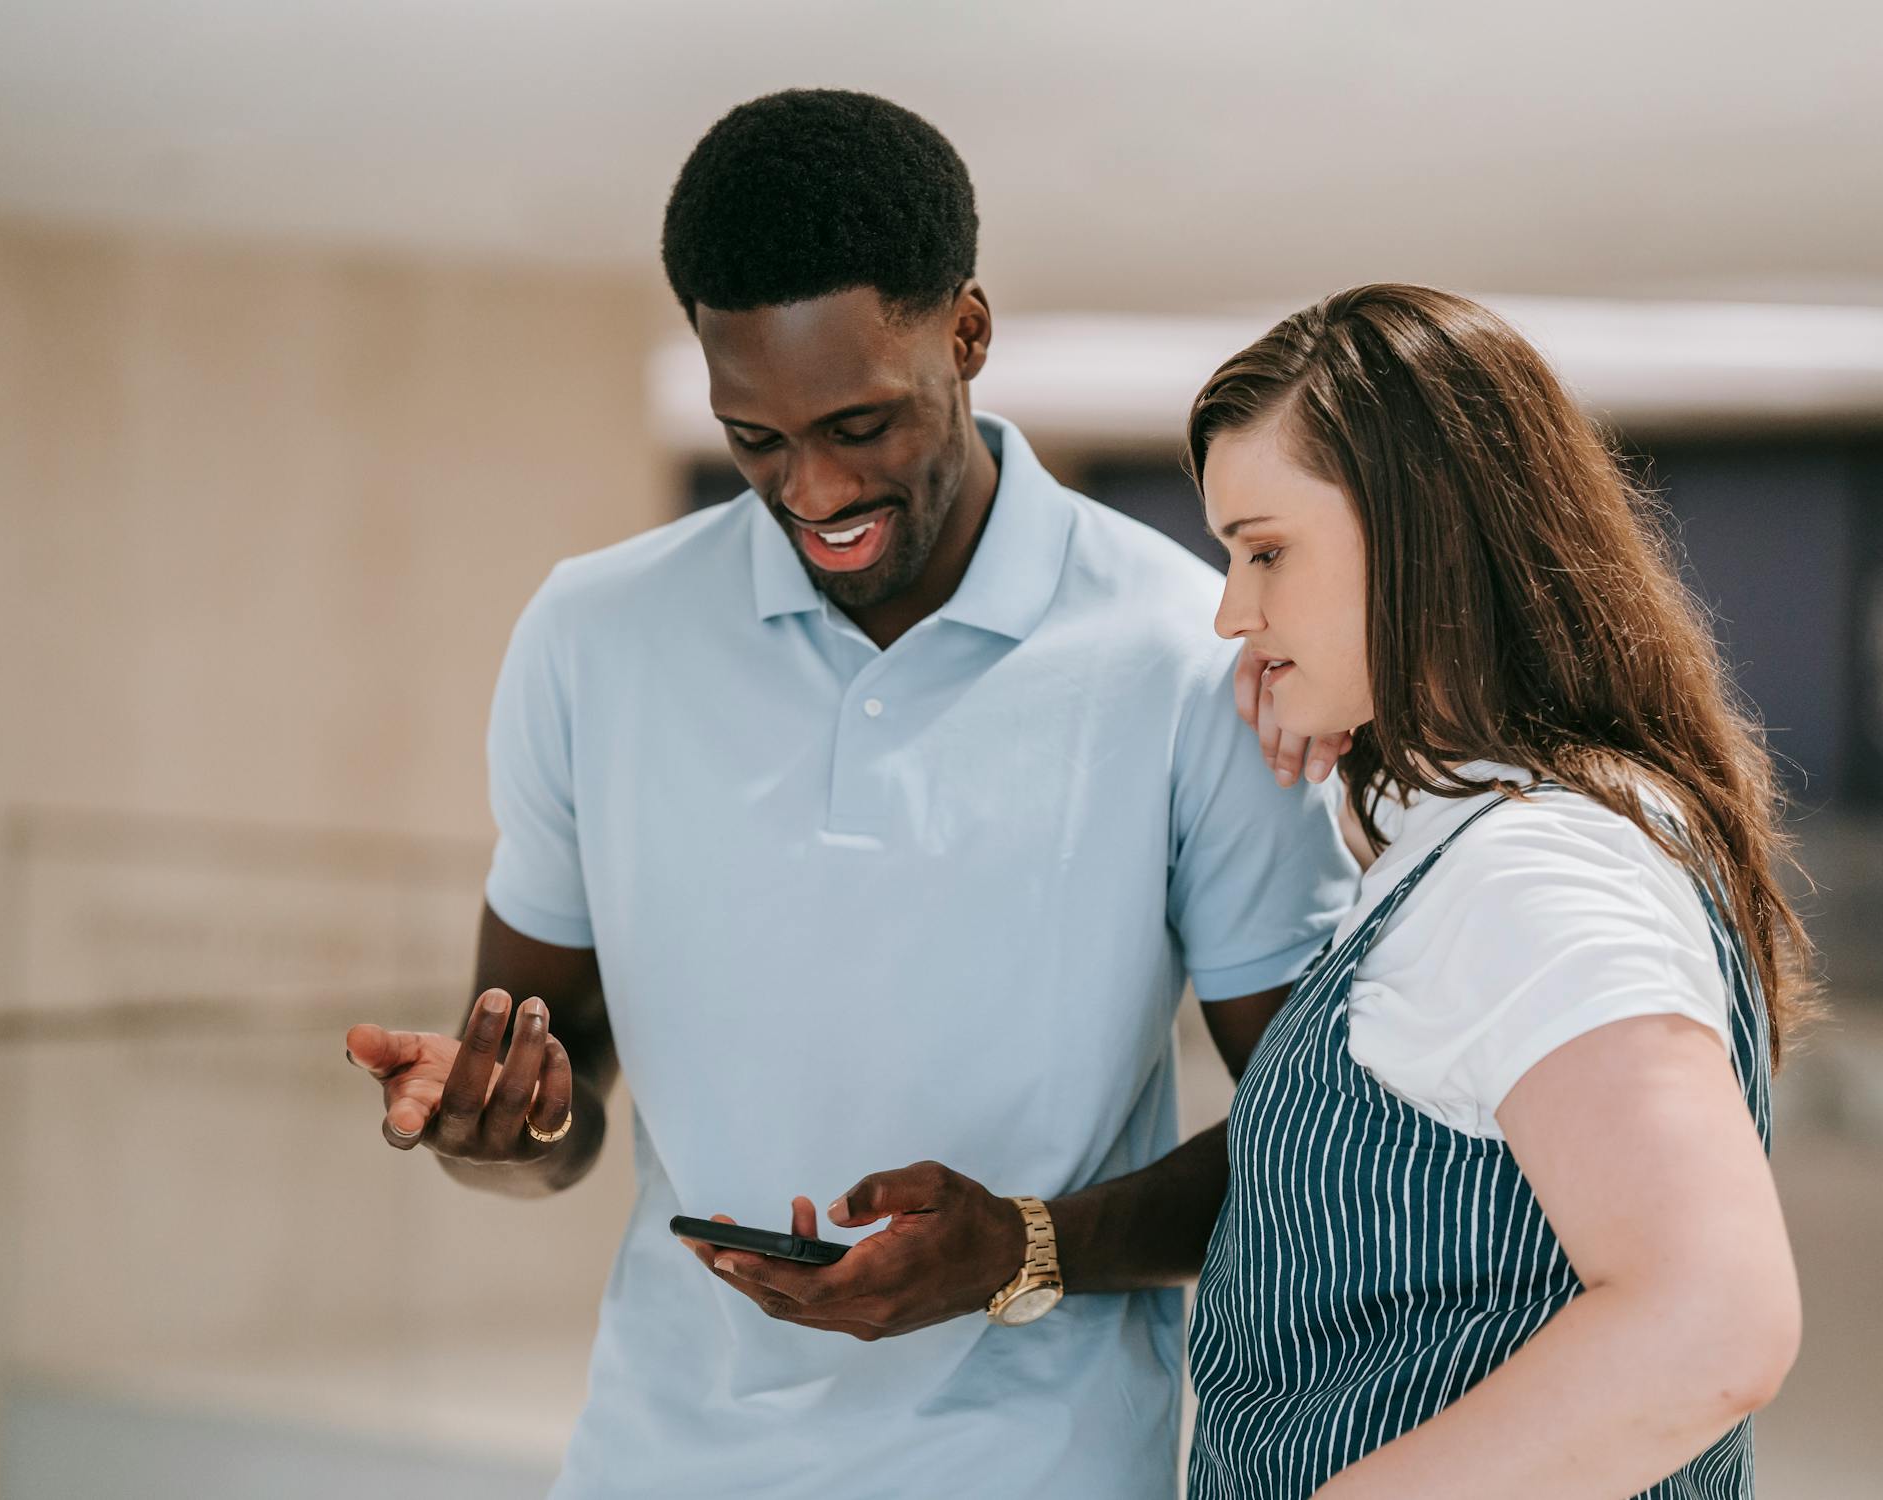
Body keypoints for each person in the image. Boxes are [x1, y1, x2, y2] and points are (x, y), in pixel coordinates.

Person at [340, 90, 1355, 1499]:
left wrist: (1020, 1247)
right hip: (657, 1462)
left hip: (1033, 1470)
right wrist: (501, 1130)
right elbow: (549, 1108)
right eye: (754, 439)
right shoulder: (593, 636)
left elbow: (1322, 1147)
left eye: (861, 424)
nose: (813, 491)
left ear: (968, 333)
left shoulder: (1185, 656)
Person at [1183, 283, 1815, 1499]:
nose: (1231, 614)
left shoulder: (1531, 874)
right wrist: (1361, 751)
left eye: (1266, 552)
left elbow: (1715, 1323)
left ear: (1422, 537)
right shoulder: (1524, 828)